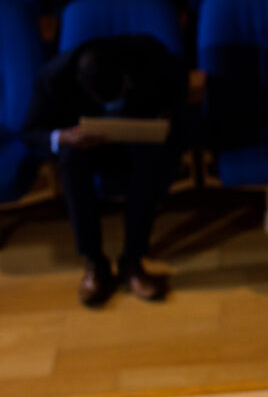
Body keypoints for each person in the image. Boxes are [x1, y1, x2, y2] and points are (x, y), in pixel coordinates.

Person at [23, 36, 187, 307]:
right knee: (70, 158)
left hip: (138, 141)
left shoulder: (151, 56)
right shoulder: (53, 78)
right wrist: (63, 136)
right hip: (87, 148)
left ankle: (132, 261)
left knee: (150, 155)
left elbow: (180, 93)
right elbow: (30, 132)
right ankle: (94, 263)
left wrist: (165, 119)